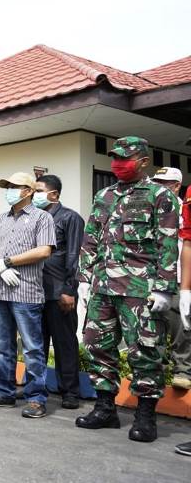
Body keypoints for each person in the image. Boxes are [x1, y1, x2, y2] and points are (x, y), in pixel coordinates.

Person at [75, 137, 178, 443]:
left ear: (144, 161)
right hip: (103, 287)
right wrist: (83, 277)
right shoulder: (104, 195)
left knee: (145, 351)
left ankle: (145, 416)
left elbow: (168, 243)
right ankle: (105, 408)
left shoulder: (160, 196)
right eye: (115, 158)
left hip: (140, 289)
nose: (117, 163)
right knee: (96, 346)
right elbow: (91, 237)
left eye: (125, 158)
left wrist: (164, 288)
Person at [0, 172, 55, 418]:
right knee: (2, 346)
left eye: (15, 186)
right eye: (7, 185)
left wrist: (8, 261)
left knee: (32, 348)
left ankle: (36, 398)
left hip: (27, 292)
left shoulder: (41, 218)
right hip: (0, 291)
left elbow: (44, 250)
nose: (9, 189)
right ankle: (4, 392)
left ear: (28, 191)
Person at [33, 174, 84, 409]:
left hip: (58, 292)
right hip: (33, 292)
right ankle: (37, 387)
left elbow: (74, 255)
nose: (34, 195)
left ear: (53, 194)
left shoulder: (69, 218)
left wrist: (69, 290)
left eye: (38, 190)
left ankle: (70, 391)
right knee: (37, 343)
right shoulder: (33, 218)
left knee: (64, 343)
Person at [154, 167, 191, 390]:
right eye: (156, 182)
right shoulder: (151, 207)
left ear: (176, 186)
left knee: (180, 325)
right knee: (154, 324)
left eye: (164, 183)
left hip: (178, 275)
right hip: (152, 277)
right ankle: (155, 369)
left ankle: (183, 370)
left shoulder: (182, 208)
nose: (158, 187)